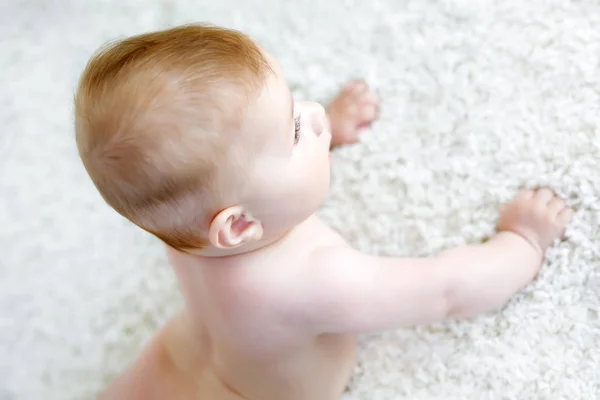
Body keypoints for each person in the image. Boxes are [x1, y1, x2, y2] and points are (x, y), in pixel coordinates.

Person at [74, 23, 573, 400]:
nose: (314, 112)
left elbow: (249, 183)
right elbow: (444, 292)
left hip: (171, 356)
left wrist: (313, 134)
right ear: (241, 224)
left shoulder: (181, 225)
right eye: (294, 130)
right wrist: (523, 242)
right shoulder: (315, 279)